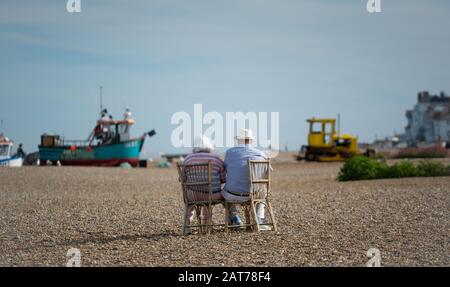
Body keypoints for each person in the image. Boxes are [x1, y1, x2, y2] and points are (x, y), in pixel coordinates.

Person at [222, 128, 271, 231]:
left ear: (238, 140)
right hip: (253, 194)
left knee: (223, 194)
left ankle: (235, 218)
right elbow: (268, 170)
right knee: (263, 192)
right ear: (251, 140)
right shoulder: (260, 153)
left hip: (232, 194)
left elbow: (224, 169)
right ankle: (259, 220)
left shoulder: (230, 153)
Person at [183, 135, 225, 233]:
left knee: (189, 202)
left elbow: (183, 178)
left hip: (192, 195)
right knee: (209, 200)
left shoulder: (188, 158)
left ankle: (187, 226)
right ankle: (206, 225)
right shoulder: (216, 158)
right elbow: (223, 178)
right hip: (211, 195)